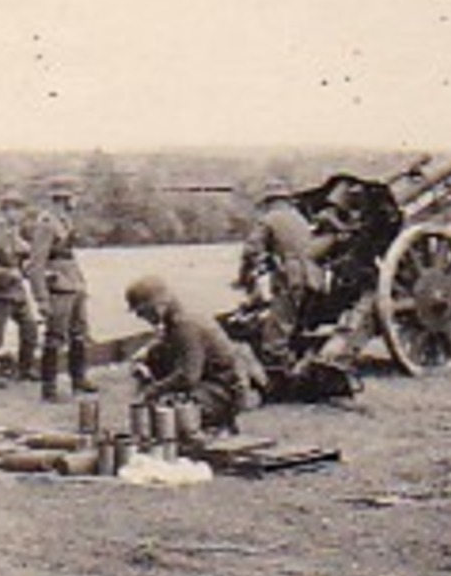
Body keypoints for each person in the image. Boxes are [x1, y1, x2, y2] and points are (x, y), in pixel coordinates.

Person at [125, 275, 248, 434]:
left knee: (172, 413)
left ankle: (213, 430)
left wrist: (152, 391)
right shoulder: (177, 318)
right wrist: (146, 354)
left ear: (158, 305)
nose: (140, 317)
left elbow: (188, 376)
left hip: (221, 390)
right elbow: (165, 342)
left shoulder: (185, 324)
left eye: (142, 311)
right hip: (214, 384)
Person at [236, 177, 324, 362]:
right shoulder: (299, 218)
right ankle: (296, 361)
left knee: (277, 330)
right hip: (314, 277)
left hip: (291, 277)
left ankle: (279, 370)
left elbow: (251, 250)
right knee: (294, 324)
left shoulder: (269, 219)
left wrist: (244, 277)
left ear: (268, 201)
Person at [27, 176, 97, 402]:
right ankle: (49, 388)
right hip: (58, 287)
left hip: (73, 284)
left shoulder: (65, 220)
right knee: (55, 337)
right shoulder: (46, 223)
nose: (76, 200)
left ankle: (79, 379)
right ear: (65, 197)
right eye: (74, 195)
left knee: (79, 334)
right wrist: (42, 299)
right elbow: (36, 264)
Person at [0, 188, 38, 388]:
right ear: (5, 210)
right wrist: (10, 274)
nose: (20, 215)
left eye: (21, 210)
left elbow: (23, 255)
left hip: (16, 292)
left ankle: (26, 370)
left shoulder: (14, 233)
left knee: (30, 329)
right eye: (16, 210)